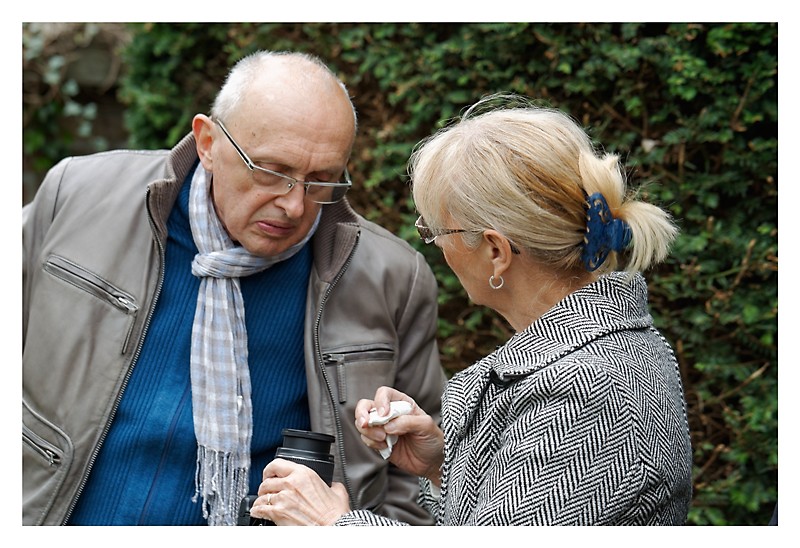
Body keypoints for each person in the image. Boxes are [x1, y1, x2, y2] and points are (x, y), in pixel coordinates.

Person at [22, 50, 446, 526]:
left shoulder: (392, 278)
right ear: (207, 141)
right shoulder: (77, 194)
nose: (293, 205)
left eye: (322, 180)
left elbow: (421, 476)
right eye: (271, 171)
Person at [250, 93, 694, 526]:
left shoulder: (586, 390)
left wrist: (331, 522)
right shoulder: (609, 355)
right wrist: (444, 465)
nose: (437, 245)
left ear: (496, 251)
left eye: (436, 229)